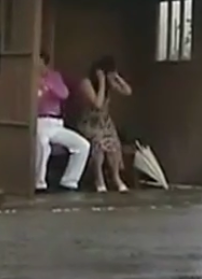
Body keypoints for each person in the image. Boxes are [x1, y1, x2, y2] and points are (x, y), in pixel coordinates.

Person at [35, 51, 90, 192]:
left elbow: (64, 94)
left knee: (82, 145)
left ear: (44, 63)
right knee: (42, 144)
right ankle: (39, 183)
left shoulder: (54, 76)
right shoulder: (30, 78)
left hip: (56, 123)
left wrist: (47, 85)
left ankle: (69, 181)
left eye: (39, 61)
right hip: (39, 121)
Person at [77, 55, 132, 192]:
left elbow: (128, 92)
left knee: (113, 143)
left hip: (105, 124)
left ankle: (116, 177)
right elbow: (98, 104)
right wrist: (101, 82)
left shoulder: (110, 83)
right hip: (90, 124)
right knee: (99, 144)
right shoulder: (86, 83)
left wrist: (117, 78)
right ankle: (99, 178)